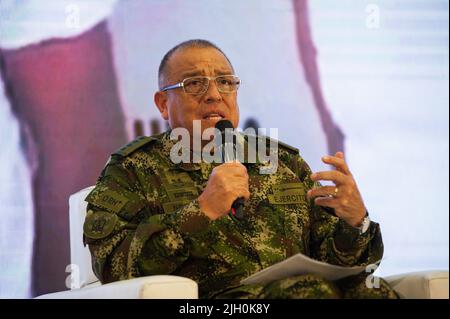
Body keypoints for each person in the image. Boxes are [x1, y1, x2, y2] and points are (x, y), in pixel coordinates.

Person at [83, 39, 398, 299]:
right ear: (163, 104)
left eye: (225, 82)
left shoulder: (280, 161)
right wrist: (202, 211)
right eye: (194, 83)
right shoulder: (133, 169)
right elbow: (116, 271)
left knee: (371, 291)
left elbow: (343, 261)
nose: (214, 94)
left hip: (301, 292)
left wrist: (355, 223)